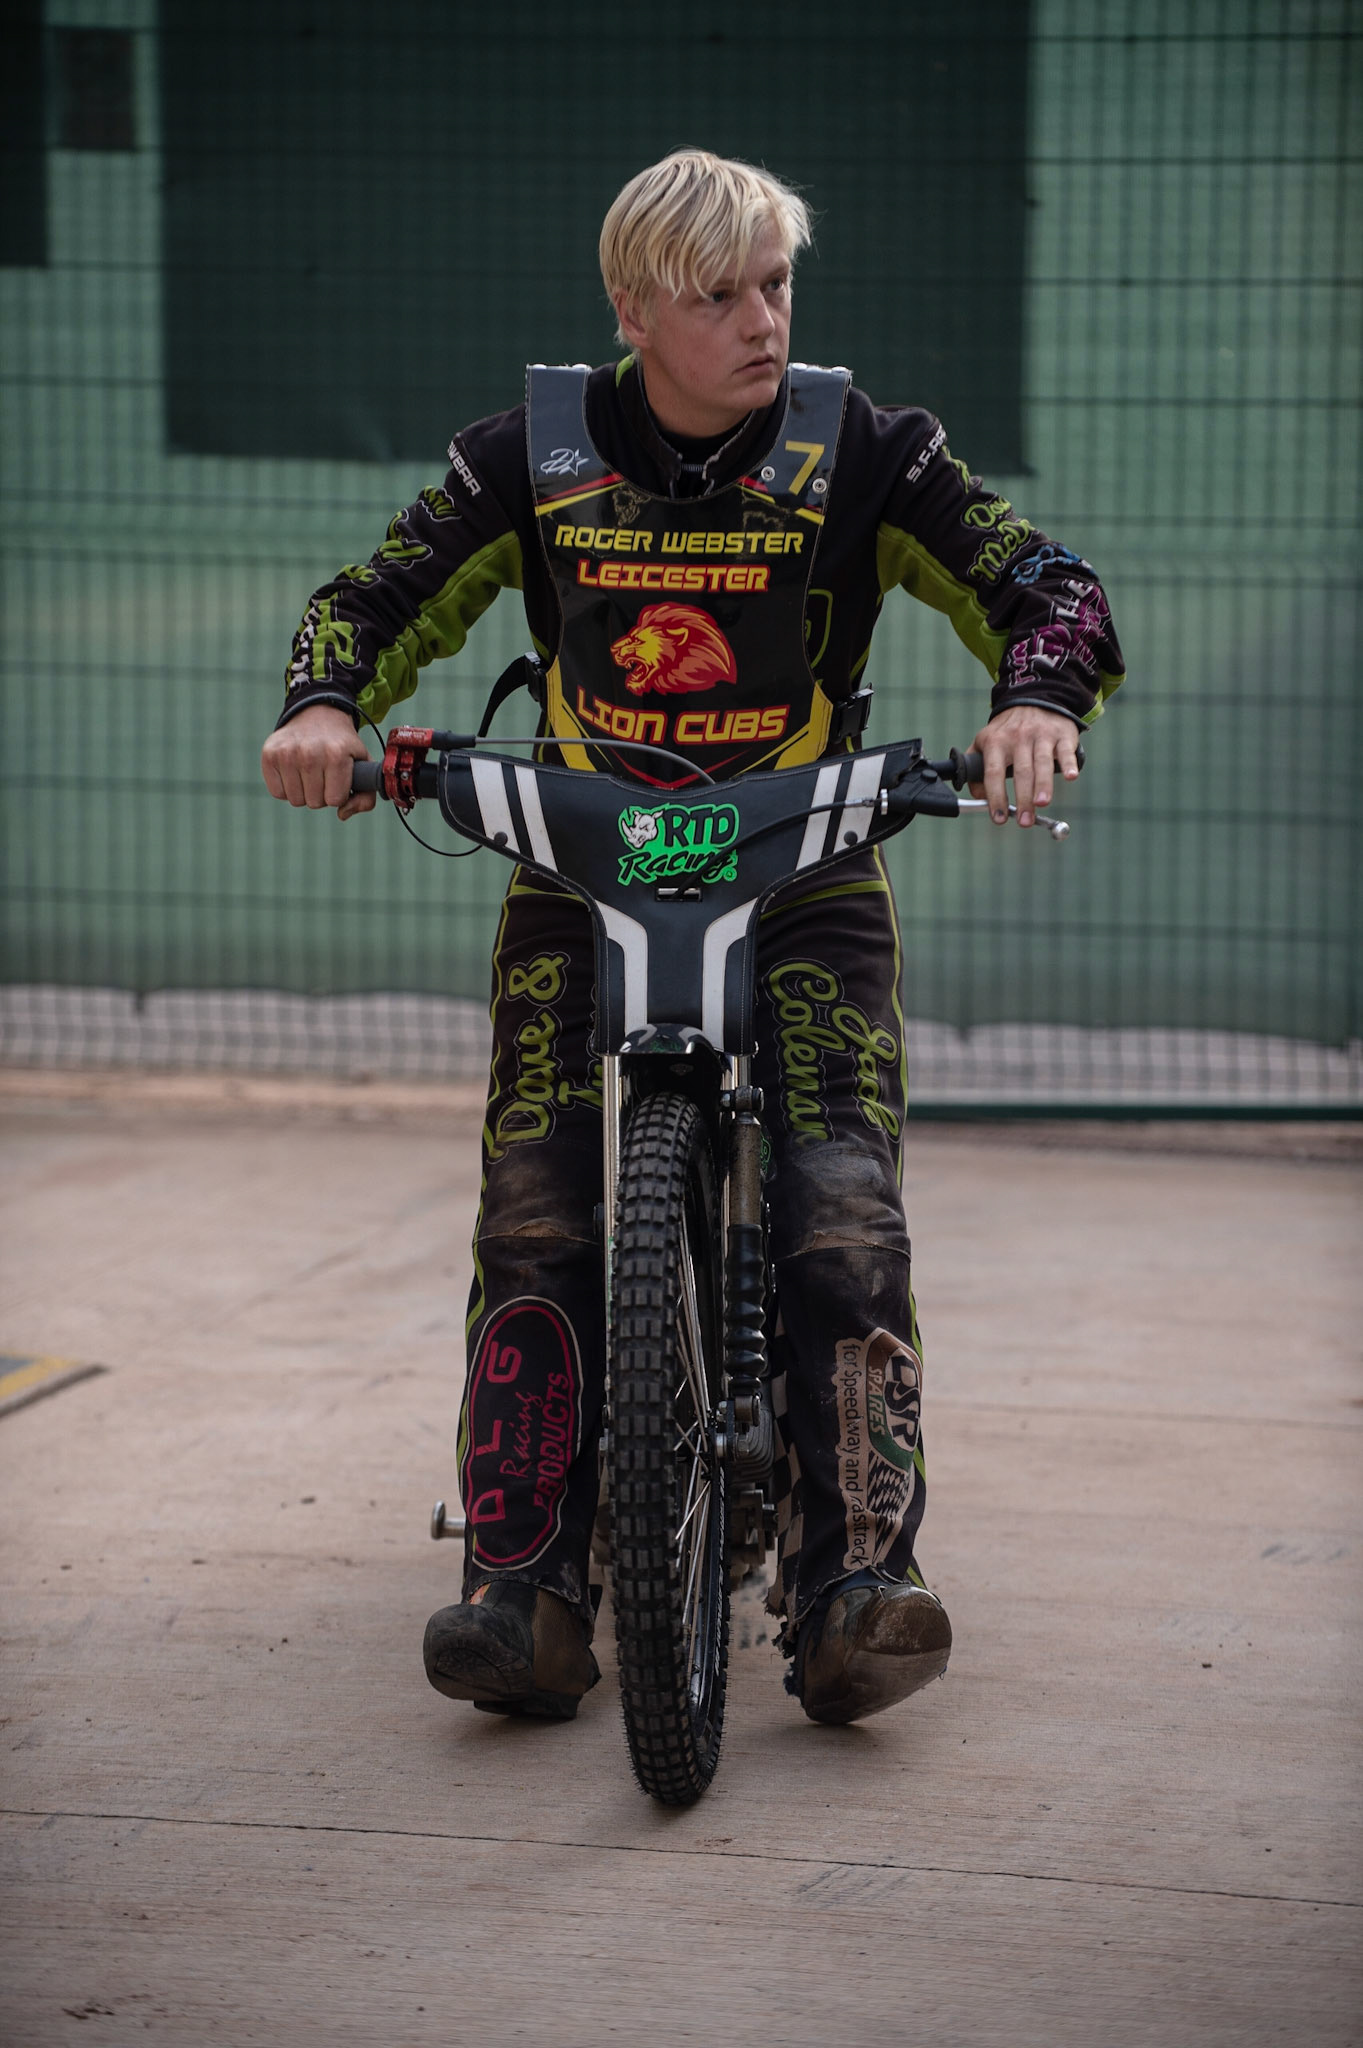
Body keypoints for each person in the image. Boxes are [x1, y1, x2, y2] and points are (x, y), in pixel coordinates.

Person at [262, 150, 1124, 1728]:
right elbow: (370, 600)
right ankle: (521, 1581)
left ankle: (860, 1573)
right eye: (719, 294)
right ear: (633, 311)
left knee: (840, 1202)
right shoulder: (526, 452)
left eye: (777, 285)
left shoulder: (868, 450)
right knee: (532, 1209)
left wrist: (1033, 700)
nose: (761, 321)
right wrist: (326, 706)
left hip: (802, 870)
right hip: (579, 871)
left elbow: (1048, 587)